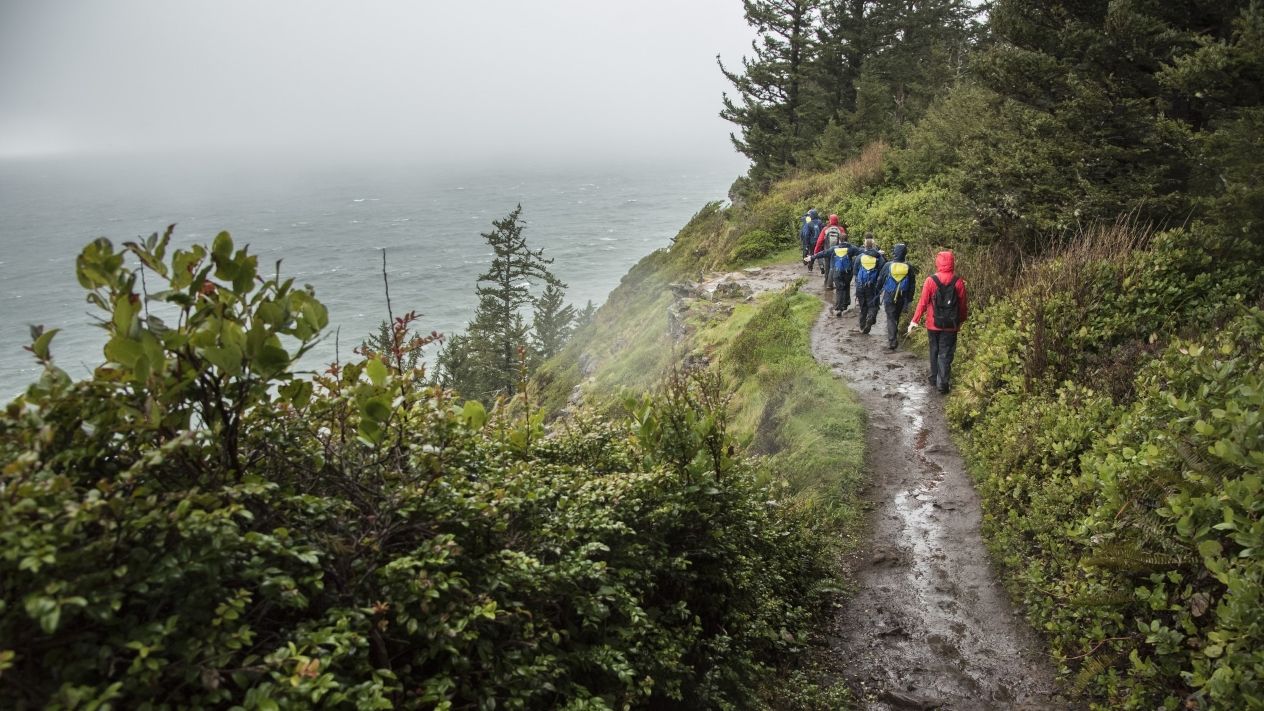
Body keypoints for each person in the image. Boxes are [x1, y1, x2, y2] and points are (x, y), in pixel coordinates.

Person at [907, 250, 968, 394]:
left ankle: (934, 378)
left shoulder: (931, 281)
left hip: (933, 324)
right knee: (945, 353)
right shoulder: (958, 281)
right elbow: (963, 304)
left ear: (938, 262)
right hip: (951, 326)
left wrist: (914, 321)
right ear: (952, 262)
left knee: (934, 350)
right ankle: (943, 382)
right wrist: (961, 320)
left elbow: (922, 303)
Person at [805, 234, 858, 315]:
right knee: (846, 287)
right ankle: (845, 304)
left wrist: (812, 257)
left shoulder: (834, 249)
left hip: (837, 272)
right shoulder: (852, 248)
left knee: (839, 289)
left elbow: (823, 253)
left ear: (839, 240)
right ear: (847, 240)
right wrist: (876, 252)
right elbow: (863, 251)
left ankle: (838, 308)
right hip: (848, 272)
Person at [879, 243, 918, 350]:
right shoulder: (909, 267)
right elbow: (912, 285)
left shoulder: (888, 265)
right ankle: (894, 335)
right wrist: (909, 299)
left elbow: (880, 279)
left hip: (889, 295)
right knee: (896, 316)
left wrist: (877, 291)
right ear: (905, 253)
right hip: (903, 296)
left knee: (891, 317)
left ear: (894, 253)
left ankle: (892, 340)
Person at [852, 234, 885, 334]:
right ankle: (870, 318)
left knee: (863, 307)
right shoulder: (879, 258)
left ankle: (862, 327)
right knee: (873, 305)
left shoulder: (859, 257)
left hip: (861, 286)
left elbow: (855, 272)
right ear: (874, 245)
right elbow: (882, 272)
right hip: (872, 286)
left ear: (864, 245)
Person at [814, 215, 846, 289]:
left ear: (830, 220)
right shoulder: (841, 229)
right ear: (837, 220)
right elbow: (844, 241)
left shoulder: (826, 229)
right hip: (838, 253)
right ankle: (838, 284)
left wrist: (816, 252)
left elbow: (819, 241)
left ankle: (827, 284)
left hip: (827, 252)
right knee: (838, 268)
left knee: (828, 268)